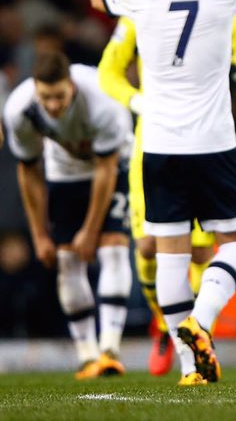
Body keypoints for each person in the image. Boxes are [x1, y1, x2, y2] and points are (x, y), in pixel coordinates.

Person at [88, 0, 236, 385]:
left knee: (168, 253)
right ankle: (203, 321)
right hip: (213, 144)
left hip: (158, 144)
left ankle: (187, 365)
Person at [3, 52, 133, 379]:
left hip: (116, 162)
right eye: (45, 97)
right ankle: (87, 355)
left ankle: (110, 350)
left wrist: (90, 231)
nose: (52, 105)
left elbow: (105, 168)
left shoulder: (100, 99)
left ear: (72, 86)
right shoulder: (20, 110)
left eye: (59, 96)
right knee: (67, 260)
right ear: (35, 89)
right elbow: (28, 171)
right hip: (64, 170)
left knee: (112, 246)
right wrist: (39, 235)